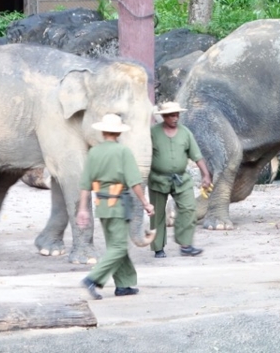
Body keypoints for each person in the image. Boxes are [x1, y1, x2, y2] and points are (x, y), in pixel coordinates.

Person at [77, 114, 155, 300]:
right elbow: (135, 181)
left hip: (102, 206)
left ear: (103, 131)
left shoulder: (94, 152)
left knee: (114, 245)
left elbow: (85, 184)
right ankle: (92, 279)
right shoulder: (123, 151)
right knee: (119, 247)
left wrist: (82, 209)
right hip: (118, 205)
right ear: (118, 132)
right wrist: (145, 203)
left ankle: (123, 284)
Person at [149, 102, 213, 259]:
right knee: (157, 215)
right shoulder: (153, 133)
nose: (175, 118)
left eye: (177, 114)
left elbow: (197, 156)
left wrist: (206, 175)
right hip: (158, 179)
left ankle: (185, 245)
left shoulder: (185, 133)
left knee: (189, 208)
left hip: (181, 179)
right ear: (163, 117)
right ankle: (158, 248)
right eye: (171, 115)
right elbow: (144, 157)